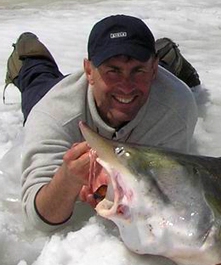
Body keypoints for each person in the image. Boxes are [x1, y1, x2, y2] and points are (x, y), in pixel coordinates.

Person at [4, 14, 201, 231]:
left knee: (148, 83)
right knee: (37, 84)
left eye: (138, 70)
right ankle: (31, 57)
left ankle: (166, 56)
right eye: (113, 71)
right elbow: (39, 217)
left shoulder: (176, 106)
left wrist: (115, 183)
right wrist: (69, 179)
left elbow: (164, 193)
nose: (126, 85)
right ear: (89, 71)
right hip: (59, 96)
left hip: (157, 85)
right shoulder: (54, 112)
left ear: (153, 70)